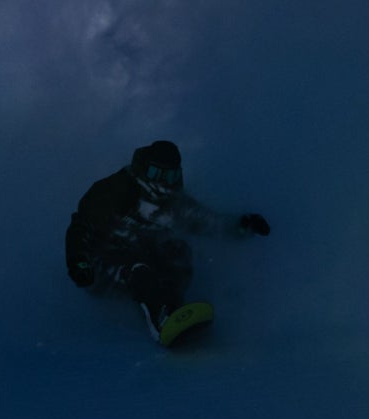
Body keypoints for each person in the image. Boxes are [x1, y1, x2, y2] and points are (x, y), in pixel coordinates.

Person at [64, 139, 270, 337]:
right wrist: (79, 262)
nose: (163, 182)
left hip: (143, 257)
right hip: (99, 267)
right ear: (144, 169)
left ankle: (173, 308)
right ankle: (159, 319)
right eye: (156, 174)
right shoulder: (115, 191)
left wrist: (244, 226)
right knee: (138, 267)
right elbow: (81, 227)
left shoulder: (173, 203)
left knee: (177, 250)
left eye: (170, 176)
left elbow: (207, 222)